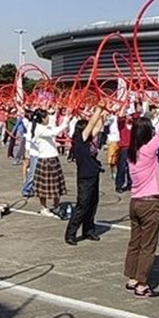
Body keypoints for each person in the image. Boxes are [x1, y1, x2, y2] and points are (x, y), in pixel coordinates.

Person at [123, 91, 159, 298]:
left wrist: (158, 107)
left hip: (135, 202)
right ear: (147, 134)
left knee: (135, 241)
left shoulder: (132, 153)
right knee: (148, 245)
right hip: (149, 204)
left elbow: (155, 126)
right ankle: (142, 284)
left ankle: (132, 277)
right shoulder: (148, 150)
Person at [65, 105, 105, 245]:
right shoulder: (79, 140)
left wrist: (105, 110)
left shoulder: (87, 140)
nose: (90, 129)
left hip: (94, 174)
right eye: (87, 127)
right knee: (82, 205)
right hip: (85, 177)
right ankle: (70, 234)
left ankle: (88, 230)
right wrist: (98, 109)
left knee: (93, 204)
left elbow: (98, 125)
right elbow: (93, 123)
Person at [31, 108, 69, 217]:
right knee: (44, 187)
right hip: (45, 159)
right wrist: (66, 121)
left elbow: (53, 124)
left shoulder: (43, 126)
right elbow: (55, 132)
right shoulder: (39, 129)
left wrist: (67, 116)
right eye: (46, 116)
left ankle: (56, 206)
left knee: (56, 185)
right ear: (42, 119)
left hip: (53, 158)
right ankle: (44, 207)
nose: (48, 118)